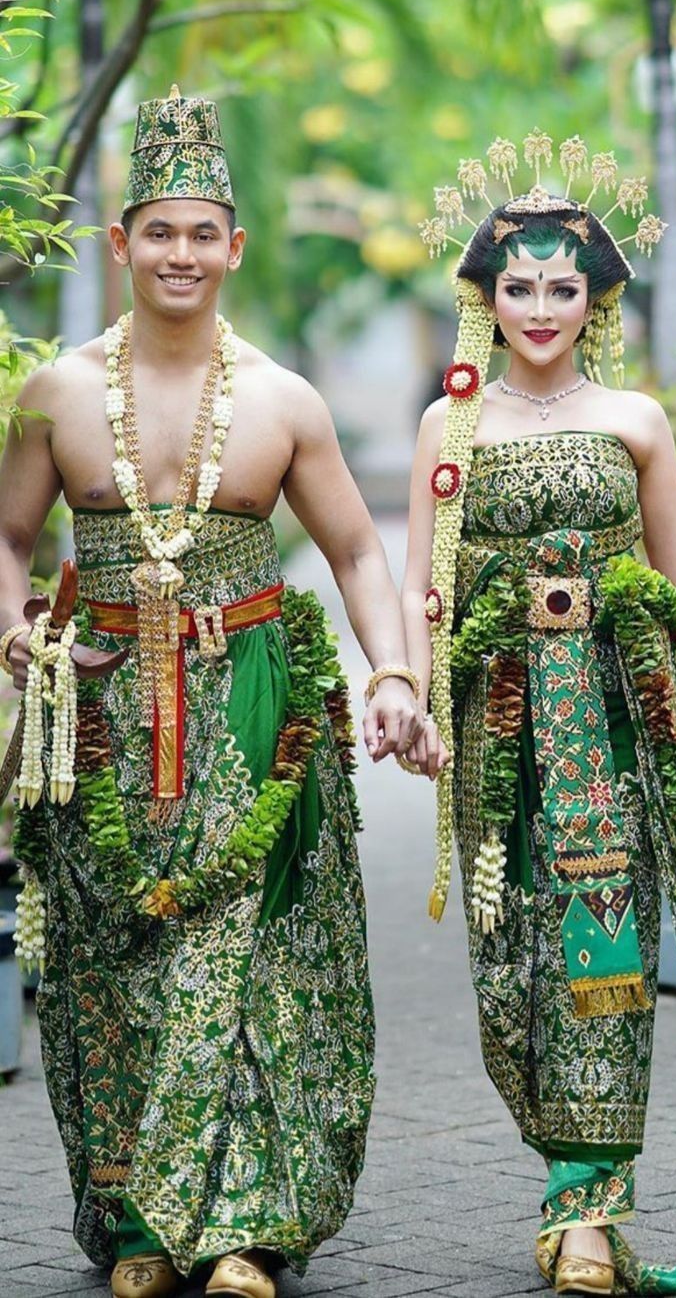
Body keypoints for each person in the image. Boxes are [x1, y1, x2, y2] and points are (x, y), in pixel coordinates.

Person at [0, 86, 423, 1298]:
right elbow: (8, 537)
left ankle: (244, 1223)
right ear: (123, 240)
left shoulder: (285, 399)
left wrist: (390, 672)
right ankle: (140, 1227)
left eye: (202, 234)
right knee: (111, 961)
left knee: (256, 966)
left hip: (252, 701)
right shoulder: (59, 395)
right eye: (157, 232)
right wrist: (23, 640)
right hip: (99, 706)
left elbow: (353, 550)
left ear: (234, 248)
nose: (179, 255)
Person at [401, 131, 676, 1296]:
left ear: (594, 302)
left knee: (604, 957)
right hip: (496, 736)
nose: (540, 307)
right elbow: (422, 589)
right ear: (486, 296)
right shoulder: (450, 427)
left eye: (563, 287)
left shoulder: (635, 420)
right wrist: (405, 689)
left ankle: (585, 1212)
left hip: (613, 729)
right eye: (519, 286)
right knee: (511, 973)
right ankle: (561, 1179)